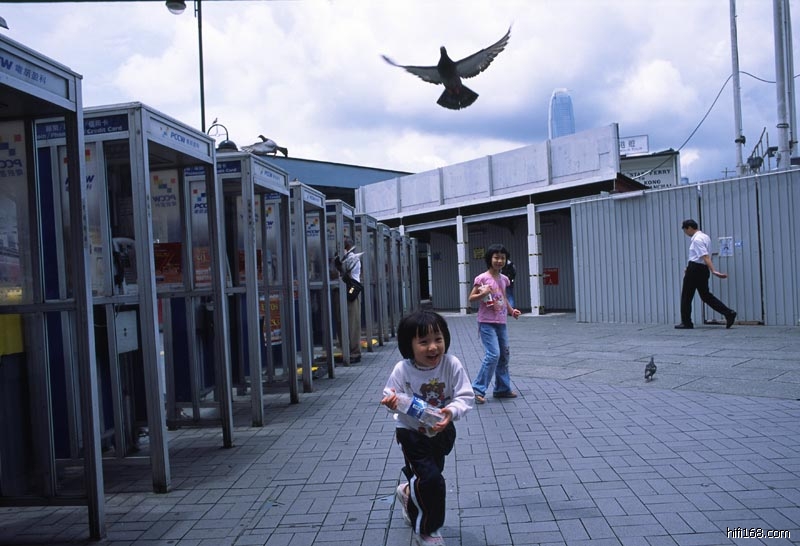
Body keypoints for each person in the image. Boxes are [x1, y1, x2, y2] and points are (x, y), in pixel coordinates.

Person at [381, 310, 474, 546]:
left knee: (429, 475)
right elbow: (390, 394)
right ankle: (427, 529)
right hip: (411, 433)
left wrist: (451, 411)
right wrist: (391, 402)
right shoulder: (402, 369)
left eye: (438, 339)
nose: (433, 347)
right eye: (423, 342)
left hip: (441, 431)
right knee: (432, 480)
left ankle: (408, 492)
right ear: (409, 346)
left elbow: (465, 396)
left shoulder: (451, 364)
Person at [469, 243, 522, 404]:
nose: (499, 261)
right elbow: (471, 298)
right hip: (486, 322)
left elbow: (503, 297)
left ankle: (502, 389)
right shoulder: (482, 278)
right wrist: (483, 293)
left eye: (503, 258)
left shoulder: (504, 279)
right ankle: (477, 389)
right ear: (489, 259)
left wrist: (512, 311)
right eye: (496, 257)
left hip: (501, 322)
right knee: (493, 355)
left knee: (504, 355)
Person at [675, 219, 737, 329]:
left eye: (685, 230)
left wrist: (713, 270)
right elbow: (700, 257)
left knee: (686, 296)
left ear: (689, 228)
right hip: (702, 269)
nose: (686, 233)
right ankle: (728, 313)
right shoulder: (705, 237)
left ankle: (686, 322)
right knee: (706, 296)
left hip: (695, 270)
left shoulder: (697, 240)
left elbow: (705, 256)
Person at [337, 236, 363, 362]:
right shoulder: (342, 258)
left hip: (351, 291)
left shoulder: (353, 258)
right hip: (342, 291)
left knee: (353, 323)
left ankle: (354, 352)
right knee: (341, 322)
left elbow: (347, 274)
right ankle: (346, 351)